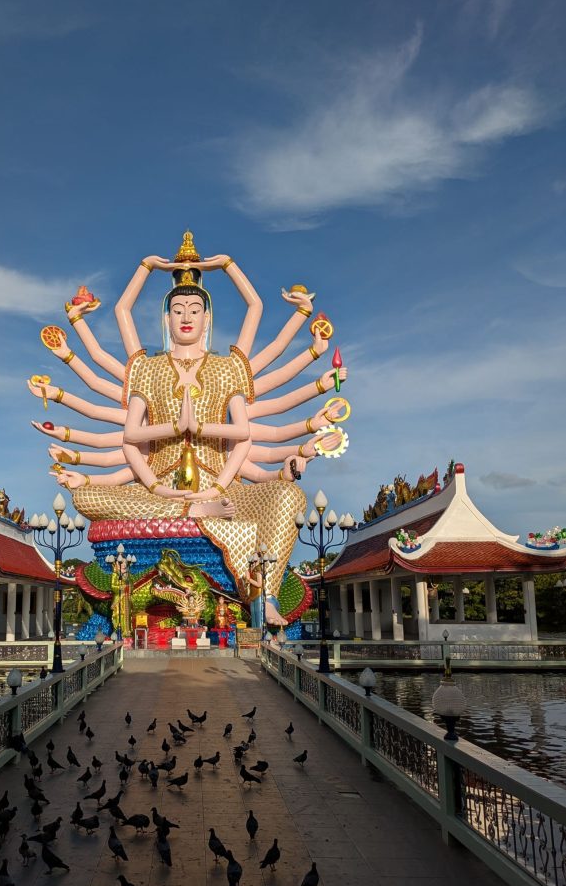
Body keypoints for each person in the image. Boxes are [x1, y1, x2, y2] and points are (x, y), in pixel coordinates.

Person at [29, 232, 350, 624]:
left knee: (288, 497)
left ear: (207, 317)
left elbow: (242, 434)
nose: (185, 317)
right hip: (158, 491)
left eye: (194, 309)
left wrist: (226, 264)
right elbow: (131, 436)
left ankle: (264, 596)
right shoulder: (147, 368)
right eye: (177, 309)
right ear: (166, 317)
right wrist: (147, 266)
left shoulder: (227, 367)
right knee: (87, 498)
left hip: (223, 489)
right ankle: (193, 511)